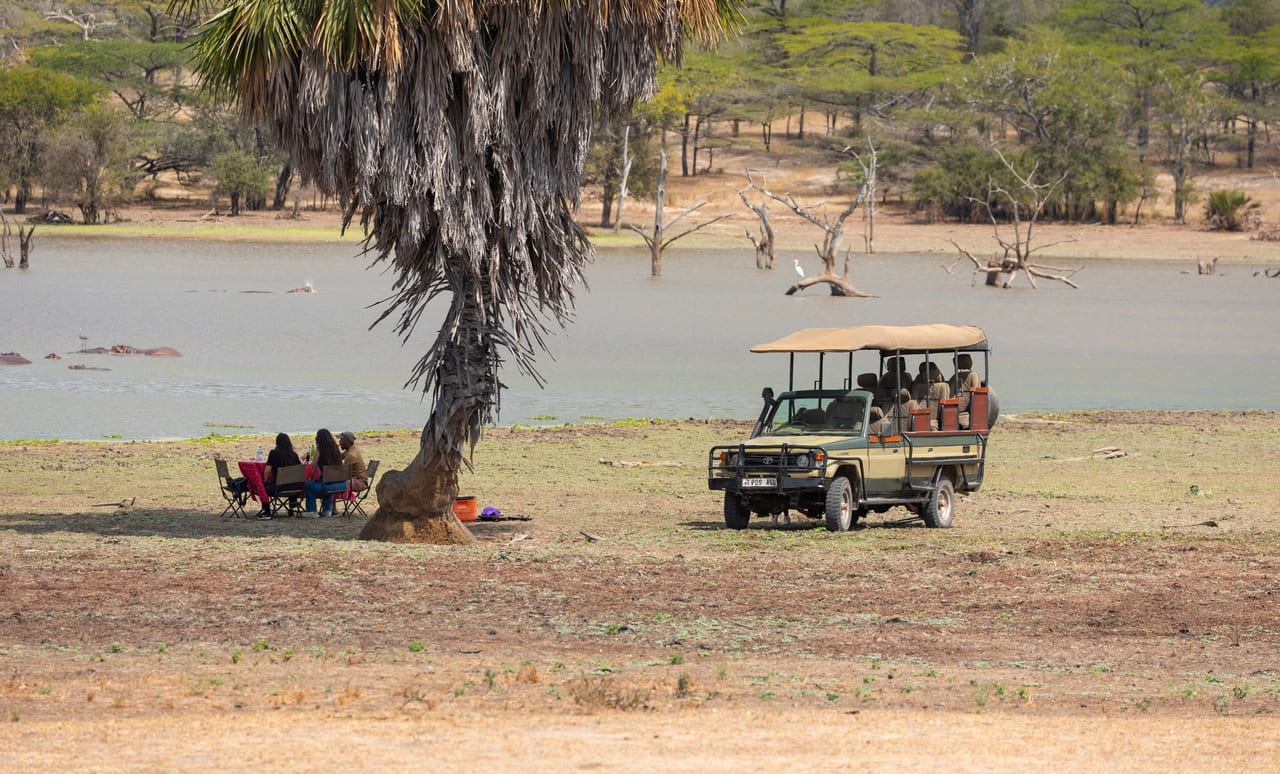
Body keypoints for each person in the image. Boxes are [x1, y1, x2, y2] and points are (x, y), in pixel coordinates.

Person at [303, 428, 347, 517]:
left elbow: (313, 466)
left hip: (327, 485)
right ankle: (328, 510)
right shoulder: (336, 449)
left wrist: (311, 479)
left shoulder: (319, 449)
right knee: (327, 482)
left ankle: (311, 511)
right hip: (342, 484)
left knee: (309, 485)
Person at [259, 432, 302, 519]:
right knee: (291, 481)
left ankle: (267, 511)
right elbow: (298, 470)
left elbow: (267, 471)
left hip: (279, 488)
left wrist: (265, 481)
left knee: (262, 486)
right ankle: (291, 510)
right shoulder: (294, 455)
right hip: (295, 488)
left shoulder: (274, 453)